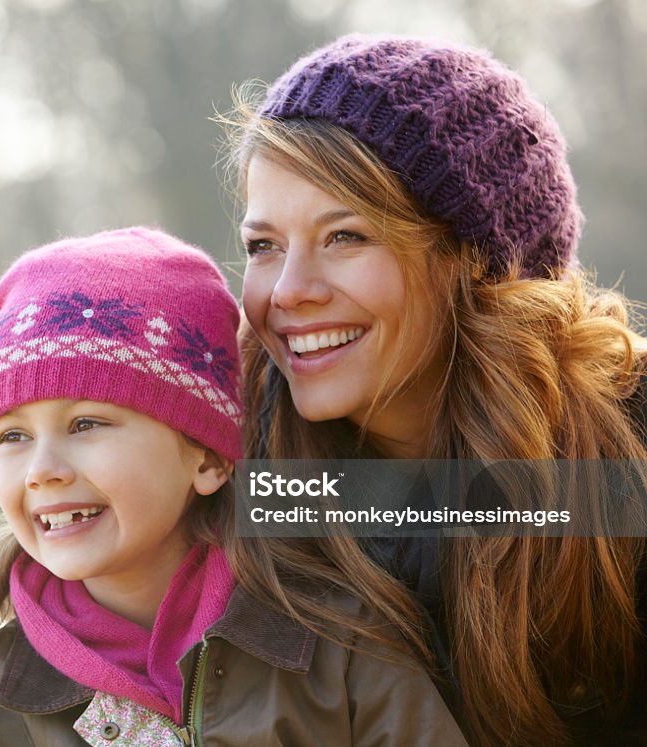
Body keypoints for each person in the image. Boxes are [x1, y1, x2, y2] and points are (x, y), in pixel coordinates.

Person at [222, 34, 647, 747]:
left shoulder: (623, 458)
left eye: (345, 237)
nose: (287, 292)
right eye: (263, 246)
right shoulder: (240, 472)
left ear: (473, 260)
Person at [0, 226, 468, 746]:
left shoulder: (335, 640)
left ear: (206, 458)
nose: (41, 469)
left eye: (85, 424)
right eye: (12, 436)